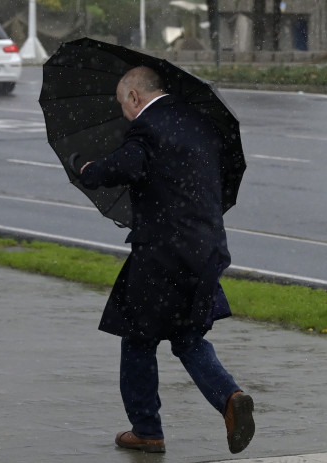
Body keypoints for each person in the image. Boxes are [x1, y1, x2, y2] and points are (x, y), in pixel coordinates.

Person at [77, 66, 255, 455]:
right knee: (189, 338)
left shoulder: (147, 127)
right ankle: (230, 398)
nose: (124, 112)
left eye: (123, 103)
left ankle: (146, 430)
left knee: (138, 340)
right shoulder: (200, 123)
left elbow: (127, 165)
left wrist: (90, 170)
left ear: (135, 97)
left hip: (162, 254)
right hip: (206, 248)